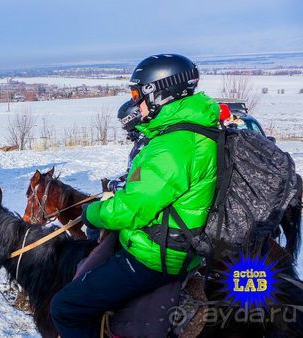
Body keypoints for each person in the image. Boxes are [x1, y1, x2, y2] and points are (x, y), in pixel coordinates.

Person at [50, 54, 219, 337]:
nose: (136, 102)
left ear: (160, 94)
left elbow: (131, 209)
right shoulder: (192, 131)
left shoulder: (171, 147)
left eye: (137, 94)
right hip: (179, 243)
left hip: (154, 256)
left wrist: (90, 214)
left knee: (65, 307)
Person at [86, 100, 149, 240]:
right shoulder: (142, 141)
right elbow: (133, 174)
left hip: (137, 207)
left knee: (94, 230)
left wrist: (110, 185)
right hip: (137, 201)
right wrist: (112, 182)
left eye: (124, 123)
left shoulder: (144, 145)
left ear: (132, 120)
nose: (124, 128)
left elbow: (134, 183)